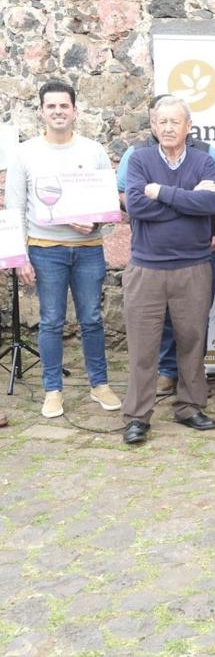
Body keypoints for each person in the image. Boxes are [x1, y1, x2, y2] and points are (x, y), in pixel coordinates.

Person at [6, 80, 120, 418]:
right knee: (51, 321)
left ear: (75, 111)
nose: (58, 111)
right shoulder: (25, 154)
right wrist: (20, 257)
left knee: (92, 320)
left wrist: (96, 223)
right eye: (51, 106)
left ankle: (99, 384)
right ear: (41, 111)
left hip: (87, 249)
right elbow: (14, 207)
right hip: (44, 250)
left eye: (64, 106)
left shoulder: (93, 150)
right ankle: (52, 390)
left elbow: (106, 202)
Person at [121, 96, 215, 444]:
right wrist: (185, 201)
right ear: (153, 126)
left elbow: (209, 204)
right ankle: (137, 416)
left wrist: (161, 192)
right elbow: (135, 205)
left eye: (174, 122)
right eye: (161, 122)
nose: (167, 128)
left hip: (193, 268)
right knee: (143, 345)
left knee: (192, 341)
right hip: (146, 268)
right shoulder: (139, 159)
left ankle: (190, 407)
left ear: (188, 127)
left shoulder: (204, 160)